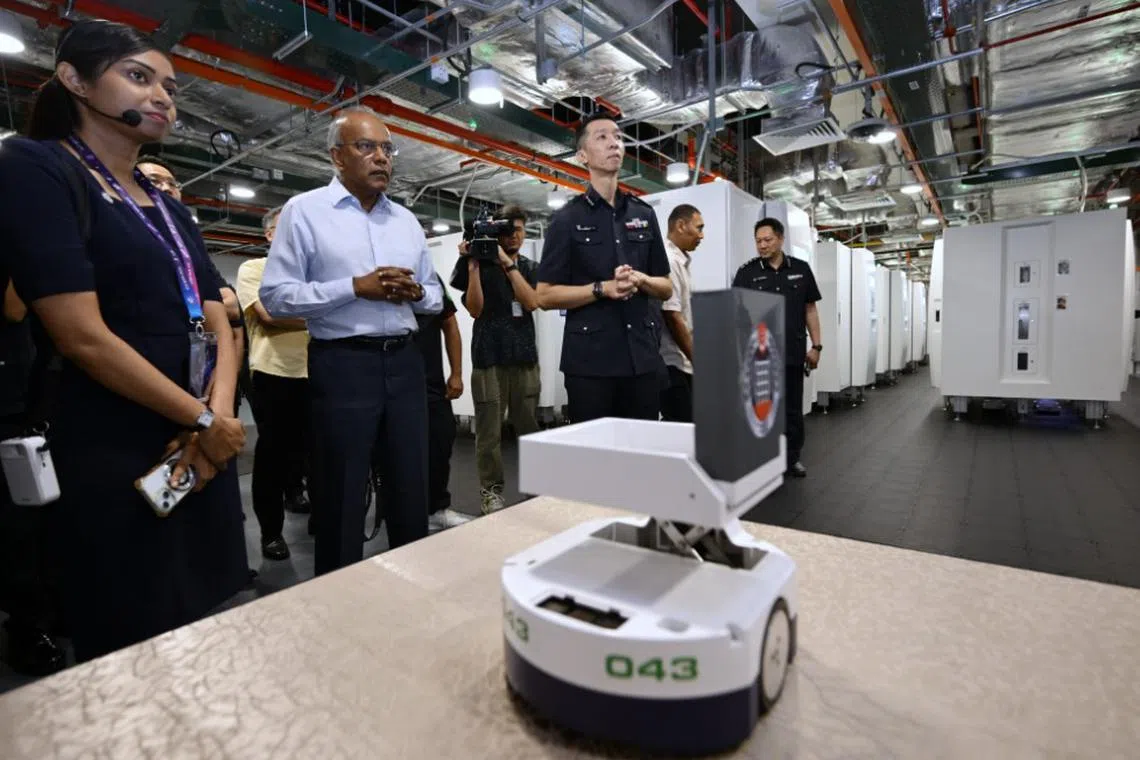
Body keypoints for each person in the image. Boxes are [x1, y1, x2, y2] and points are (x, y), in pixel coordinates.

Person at [0, 20, 248, 661]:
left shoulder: (166, 203)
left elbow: (218, 317)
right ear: (75, 80)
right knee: (130, 640)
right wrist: (201, 418)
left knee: (206, 619)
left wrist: (218, 416)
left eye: (170, 86)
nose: (163, 96)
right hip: (113, 440)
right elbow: (81, 335)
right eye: (139, 77)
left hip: (198, 444)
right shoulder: (37, 167)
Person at [260, 106, 443, 576]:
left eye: (387, 149)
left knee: (410, 488)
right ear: (337, 156)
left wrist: (416, 294)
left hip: (405, 364)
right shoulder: (304, 212)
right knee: (340, 492)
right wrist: (354, 288)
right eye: (367, 147)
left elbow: (436, 295)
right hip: (342, 366)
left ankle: (415, 592)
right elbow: (276, 297)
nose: (382, 157)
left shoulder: (406, 221)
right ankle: (339, 596)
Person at [536, 112, 672, 423]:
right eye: (602, 137)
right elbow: (544, 295)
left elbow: (666, 287)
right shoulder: (567, 219)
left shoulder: (643, 214)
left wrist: (640, 279)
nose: (614, 143)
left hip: (641, 360)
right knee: (594, 452)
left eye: (618, 137)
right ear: (582, 156)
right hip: (591, 366)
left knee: (642, 448)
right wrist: (602, 289)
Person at [450, 205, 540, 513]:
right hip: (488, 357)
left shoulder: (530, 267)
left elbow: (531, 302)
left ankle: (537, 488)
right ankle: (491, 492)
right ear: (497, 232)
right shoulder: (477, 263)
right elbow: (475, 309)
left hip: (524, 357)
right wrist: (474, 265)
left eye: (519, 230)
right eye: (508, 230)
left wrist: (506, 263)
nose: (514, 236)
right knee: (489, 434)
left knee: (530, 430)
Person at [236, 208, 312, 560]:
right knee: (273, 456)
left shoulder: (313, 273)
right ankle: (271, 532)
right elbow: (269, 317)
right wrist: (324, 313)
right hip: (274, 373)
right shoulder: (254, 269)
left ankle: (312, 509)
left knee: (317, 452)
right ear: (269, 235)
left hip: (317, 372)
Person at [732, 218, 822, 478]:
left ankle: (791, 459)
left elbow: (810, 310)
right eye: (758, 241)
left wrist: (817, 346)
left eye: (767, 240)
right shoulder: (747, 273)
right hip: (759, 355)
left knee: (792, 409)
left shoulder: (801, 270)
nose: (762, 245)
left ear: (781, 239)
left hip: (792, 352)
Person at [410, 273, 470, 531]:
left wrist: (456, 373)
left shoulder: (430, 278)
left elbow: (450, 324)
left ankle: (437, 509)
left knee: (441, 442)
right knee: (400, 453)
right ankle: (403, 513)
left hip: (432, 383)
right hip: (392, 383)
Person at [659, 203, 703, 423]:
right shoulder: (670, 260)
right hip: (673, 363)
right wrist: (698, 360)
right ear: (680, 225)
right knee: (682, 427)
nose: (702, 235)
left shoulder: (681, 261)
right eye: (699, 228)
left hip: (682, 362)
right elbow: (672, 317)